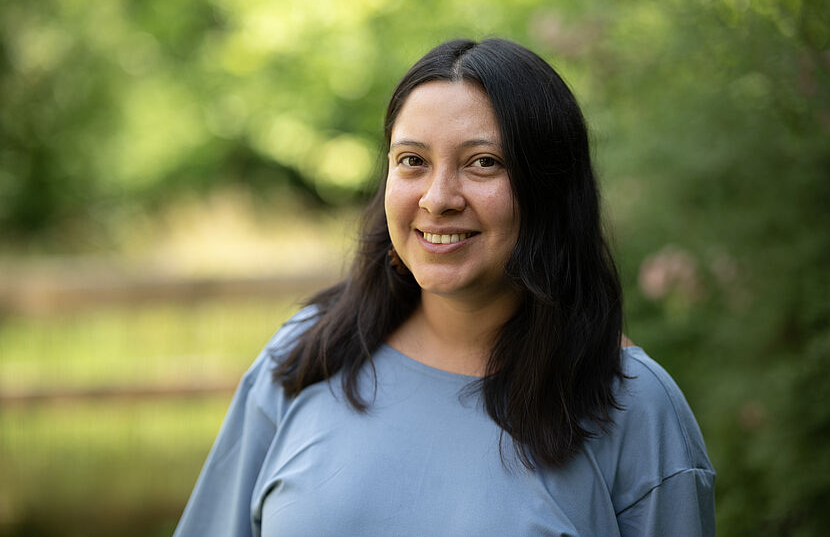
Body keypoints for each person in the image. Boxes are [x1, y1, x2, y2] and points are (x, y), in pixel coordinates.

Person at [174, 38, 716, 536]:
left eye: (483, 163)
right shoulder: (303, 357)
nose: (438, 197)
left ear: (550, 190)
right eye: (413, 161)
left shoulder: (632, 405)